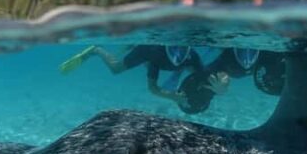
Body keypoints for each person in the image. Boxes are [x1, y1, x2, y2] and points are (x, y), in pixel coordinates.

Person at [59, 45, 202, 106]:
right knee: (116, 68)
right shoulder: (154, 53)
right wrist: (171, 96)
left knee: (191, 69)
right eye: (175, 49)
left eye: (183, 49)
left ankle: (131, 46)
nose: (178, 53)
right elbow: (152, 88)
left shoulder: (192, 56)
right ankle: (96, 50)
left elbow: (204, 74)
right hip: (146, 52)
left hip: (159, 58)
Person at [177, 49, 286, 114]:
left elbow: (219, 74)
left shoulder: (232, 67)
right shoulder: (264, 81)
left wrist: (221, 87)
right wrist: (221, 86)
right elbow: (220, 75)